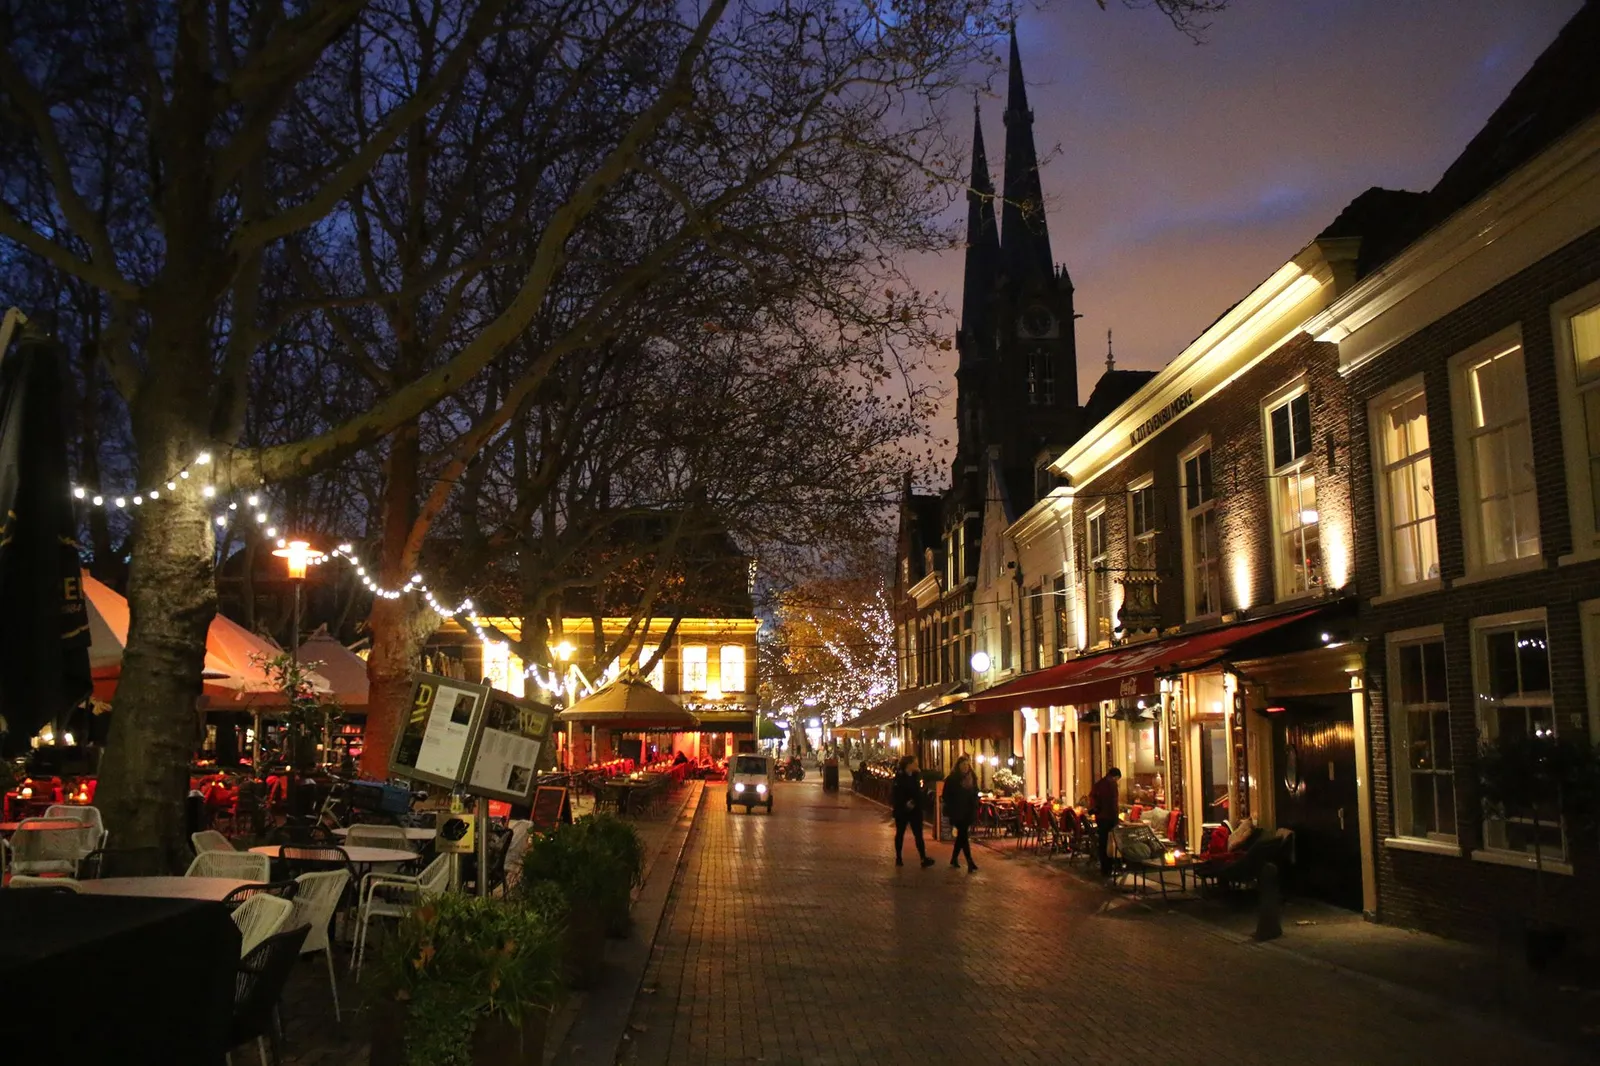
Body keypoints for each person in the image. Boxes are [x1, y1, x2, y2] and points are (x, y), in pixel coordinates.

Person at [891, 755, 935, 867]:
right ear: (909, 764)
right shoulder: (900, 777)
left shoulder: (916, 776)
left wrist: (916, 801)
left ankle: (923, 857)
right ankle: (899, 857)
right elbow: (897, 793)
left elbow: (919, 791)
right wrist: (905, 803)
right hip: (903, 809)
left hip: (915, 810)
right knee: (900, 833)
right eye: (915, 763)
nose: (917, 764)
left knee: (918, 834)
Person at [943, 755, 980, 872]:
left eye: (967, 764)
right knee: (963, 834)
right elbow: (946, 795)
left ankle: (954, 859)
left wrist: (975, 801)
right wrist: (953, 805)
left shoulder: (972, 777)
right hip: (957, 812)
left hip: (968, 811)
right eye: (963, 765)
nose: (965, 767)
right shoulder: (952, 779)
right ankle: (970, 861)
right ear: (958, 766)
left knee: (961, 836)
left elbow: (976, 791)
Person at [1090, 767, 1123, 877]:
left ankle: (1104, 868)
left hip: (1100, 817)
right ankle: (1110, 867)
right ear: (1115, 776)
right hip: (1109, 818)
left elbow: (1092, 796)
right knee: (1111, 843)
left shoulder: (1099, 783)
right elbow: (1113, 803)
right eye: (1118, 779)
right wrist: (1116, 819)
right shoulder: (1112, 784)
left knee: (1102, 842)